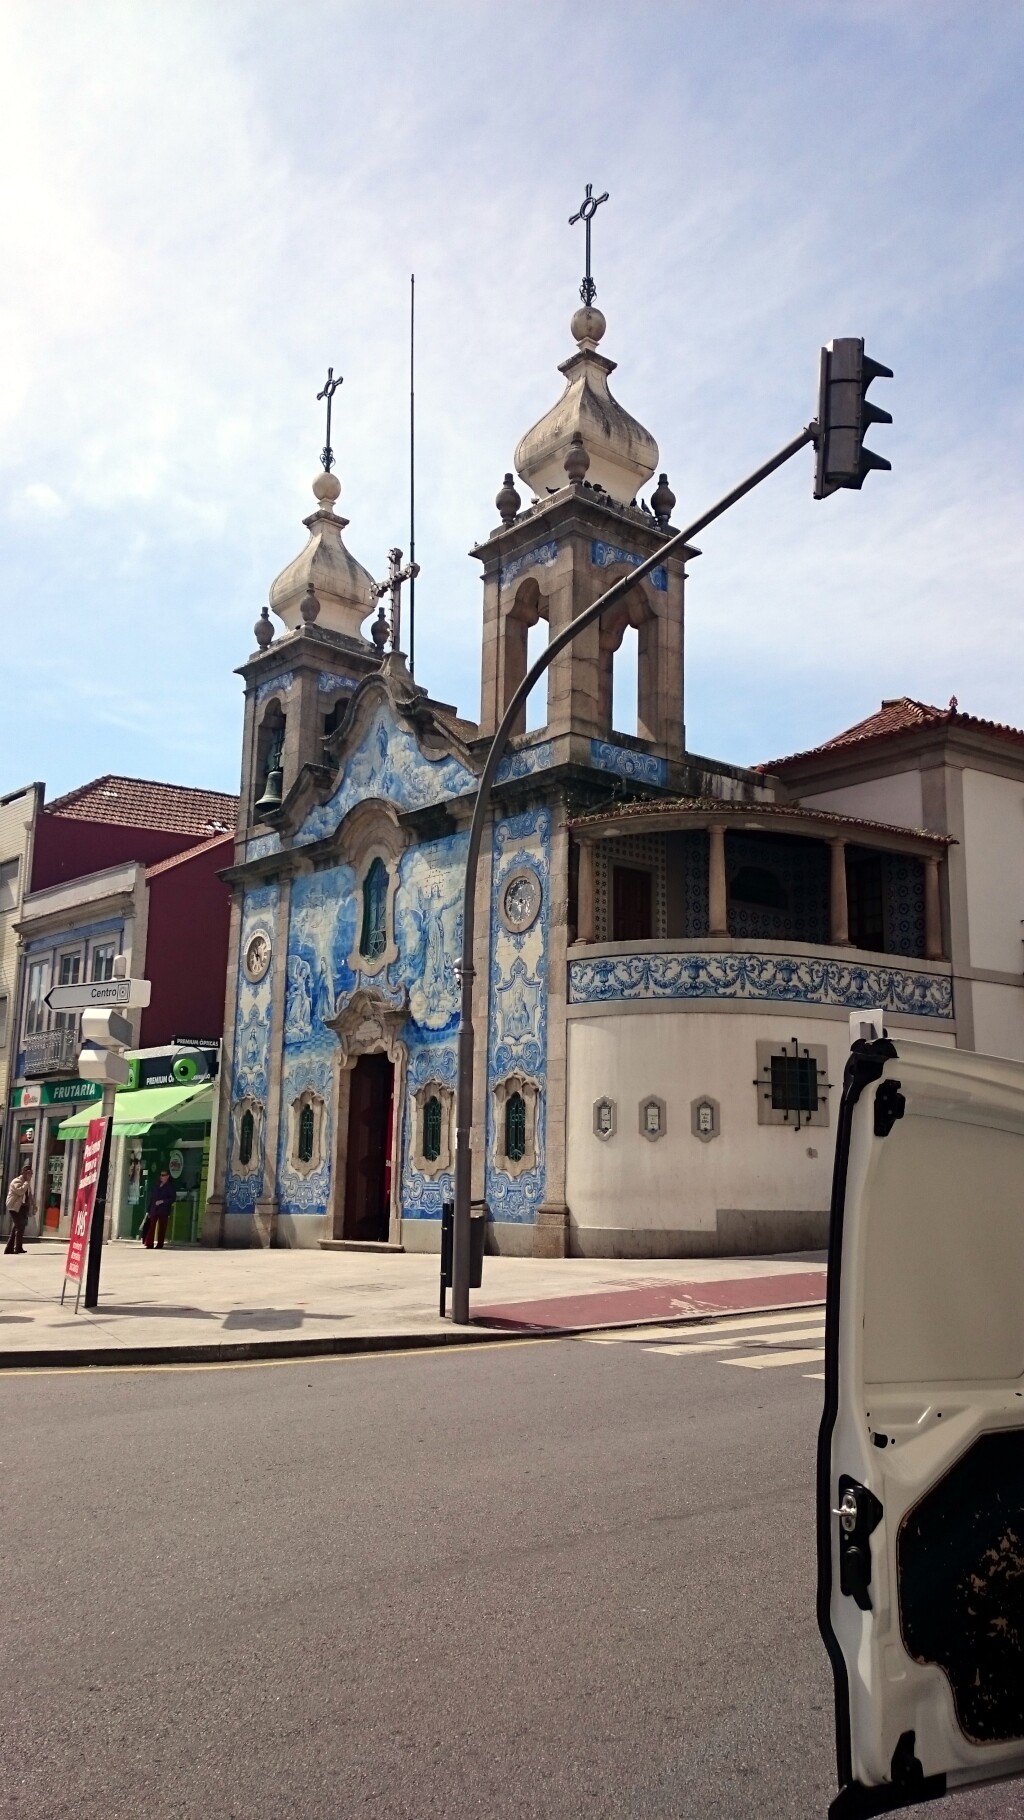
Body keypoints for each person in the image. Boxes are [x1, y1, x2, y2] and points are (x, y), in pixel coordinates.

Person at [4, 1163, 34, 1255]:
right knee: (19, 1226)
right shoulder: (16, 1181)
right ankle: (17, 1248)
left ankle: (10, 1248)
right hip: (14, 1207)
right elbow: (20, 1191)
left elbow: (29, 1195)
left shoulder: (26, 1182)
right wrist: (26, 1182)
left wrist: (33, 1205)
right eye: (29, 1173)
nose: (30, 1176)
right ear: (24, 1173)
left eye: (31, 1174)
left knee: (18, 1227)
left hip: (22, 1207)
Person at [141, 1169, 175, 1249]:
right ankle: (149, 1243)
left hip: (163, 1210)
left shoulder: (170, 1187)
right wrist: (148, 1210)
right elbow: (152, 1198)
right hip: (154, 1209)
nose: (161, 1177)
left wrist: (162, 1201)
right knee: (151, 1226)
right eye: (161, 1175)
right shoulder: (157, 1185)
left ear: (167, 1176)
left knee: (162, 1228)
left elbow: (172, 1198)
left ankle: (160, 1244)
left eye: (163, 1175)